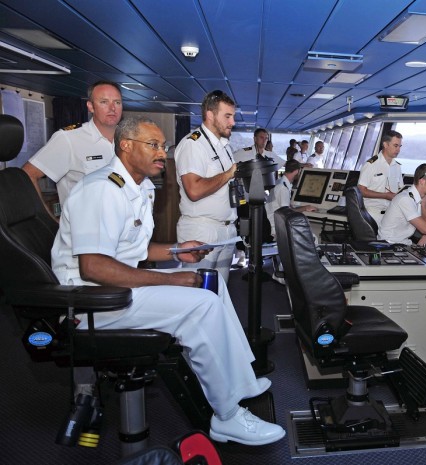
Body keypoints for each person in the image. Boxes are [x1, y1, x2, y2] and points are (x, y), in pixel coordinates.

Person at [51, 115, 286, 446]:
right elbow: (94, 267)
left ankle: (240, 380)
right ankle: (227, 416)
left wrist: (177, 251)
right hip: (92, 300)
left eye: (163, 146)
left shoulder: (140, 186)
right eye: (153, 145)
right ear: (126, 145)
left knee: (211, 283)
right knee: (201, 304)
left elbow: (132, 248)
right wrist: (170, 281)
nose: (162, 153)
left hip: (114, 286)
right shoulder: (101, 190)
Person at [22, 80, 123, 219]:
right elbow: (28, 175)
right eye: (104, 102)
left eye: (117, 102)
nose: (112, 108)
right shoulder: (68, 139)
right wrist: (48, 219)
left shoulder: (128, 140)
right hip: (83, 233)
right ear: (90, 106)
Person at [174, 90, 239, 283]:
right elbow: (193, 190)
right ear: (210, 115)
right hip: (202, 230)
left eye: (233, 116)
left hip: (227, 230)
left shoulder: (225, 146)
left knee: (220, 292)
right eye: (227, 116)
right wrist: (228, 174)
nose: (232, 122)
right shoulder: (193, 144)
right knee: (198, 293)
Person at [377, 164, 426, 246]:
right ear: (422, 181)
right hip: (389, 244)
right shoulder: (406, 199)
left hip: (400, 242)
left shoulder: (414, 197)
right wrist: (424, 204)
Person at [357, 130, 404, 225]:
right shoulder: (371, 164)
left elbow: (399, 190)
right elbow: (361, 191)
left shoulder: (397, 166)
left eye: (400, 146)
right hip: (371, 214)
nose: (398, 150)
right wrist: (385, 195)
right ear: (385, 145)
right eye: (395, 146)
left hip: (390, 214)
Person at [265, 159, 317, 238]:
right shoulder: (283, 188)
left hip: (273, 223)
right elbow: (287, 212)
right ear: (297, 171)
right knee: (312, 238)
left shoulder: (279, 182)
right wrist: (305, 208)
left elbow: (287, 208)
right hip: (276, 228)